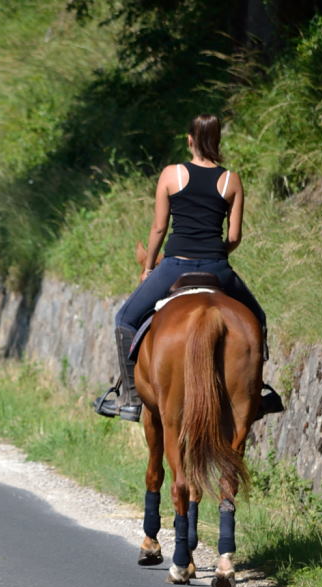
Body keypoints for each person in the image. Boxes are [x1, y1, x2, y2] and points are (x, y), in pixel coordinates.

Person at [94, 114, 283, 422]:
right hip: (217, 267)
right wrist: (215, 252)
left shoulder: (172, 174)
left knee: (125, 318)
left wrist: (149, 266)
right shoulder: (230, 180)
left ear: (189, 140)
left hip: (174, 266)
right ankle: (256, 392)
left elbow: (158, 228)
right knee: (257, 318)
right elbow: (234, 236)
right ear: (218, 140)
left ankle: (129, 398)